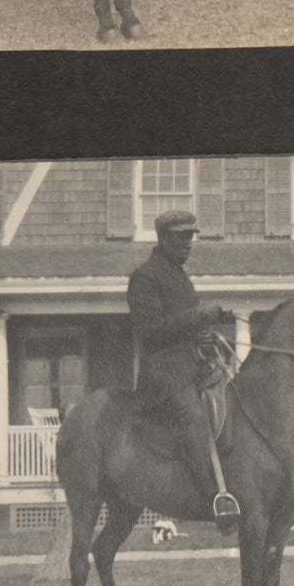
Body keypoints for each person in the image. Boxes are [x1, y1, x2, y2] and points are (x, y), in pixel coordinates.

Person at [128, 210, 240, 531]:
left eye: (191, 237)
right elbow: (151, 331)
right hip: (163, 375)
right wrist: (199, 317)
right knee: (194, 418)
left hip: (190, 366)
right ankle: (213, 499)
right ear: (163, 239)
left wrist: (202, 335)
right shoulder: (145, 278)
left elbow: (183, 328)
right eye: (181, 237)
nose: (188, 243)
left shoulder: (180, 276)